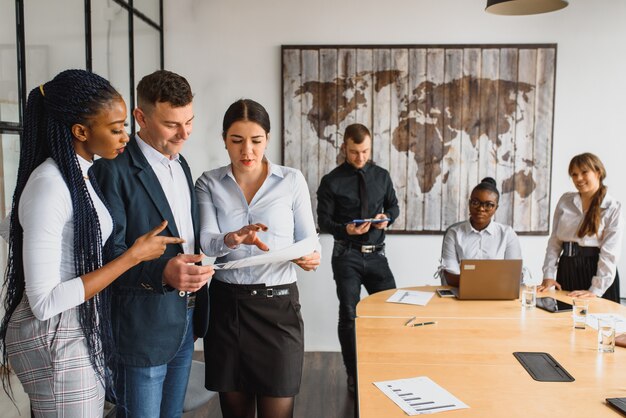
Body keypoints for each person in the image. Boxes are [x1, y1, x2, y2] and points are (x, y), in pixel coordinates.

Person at [0, 69, 183, 417]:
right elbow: (44, 302)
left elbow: (17, 230)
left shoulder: (79, 174)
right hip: (56, 336)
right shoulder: (50, 185)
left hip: (76, 328)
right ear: (81, 131)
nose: (126, 137)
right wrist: (132, 257)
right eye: (116, 129)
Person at [92, 70, 214, 418]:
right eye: (172, 124)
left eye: (189, 121)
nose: (184, 133)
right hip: (141, 326)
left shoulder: (182, 164)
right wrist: (163, 272)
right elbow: (105, 257)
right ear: (140, 117)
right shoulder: (111, 170)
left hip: (187, 316)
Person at [195, 99, 320, 418]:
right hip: (228, 309)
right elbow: (207, 243)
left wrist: (307, 257)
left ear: (267, 138)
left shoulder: (291, 180)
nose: (247, 151)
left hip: (278, 310)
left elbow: (309, 239)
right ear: (224, 139)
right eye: (237, 141)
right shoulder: (209, 183)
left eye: (256, 141)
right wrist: (232, 238)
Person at [316, 123, 399, 393]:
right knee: (349, 316)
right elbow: (324, 222)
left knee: (390, 312)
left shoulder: (382, 176)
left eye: (364, 151)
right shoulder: (331, 181)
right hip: (346, 256)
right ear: (344, 147)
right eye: (354, 152)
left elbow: (394, 206)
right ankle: (354, 373)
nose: (360, 158)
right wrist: (346, 229)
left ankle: (384, 366)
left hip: (377, 256)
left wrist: (387, 219)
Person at [538, 153, 623, 302]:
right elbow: (554, 242)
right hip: (567, 269)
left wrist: (596, 289)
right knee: (565, 321)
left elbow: (609, 254)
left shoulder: (613, 207)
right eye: (574, 174)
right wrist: (548, 275)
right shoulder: (565, 200)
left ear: (598, 172)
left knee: (597, 321)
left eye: (584, 172)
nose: (578, 178)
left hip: (597, 272)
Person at [439, 177, 522, 287]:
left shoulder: (507, 234)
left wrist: (471, 281)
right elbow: (450, 276)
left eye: (488, 205)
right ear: (469, 204)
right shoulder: (454, 233)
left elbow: (513, 275)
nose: (481, 209)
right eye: (476, 202)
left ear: (496, 208)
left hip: (497, 295)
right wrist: (491, 282)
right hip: (462, 295)